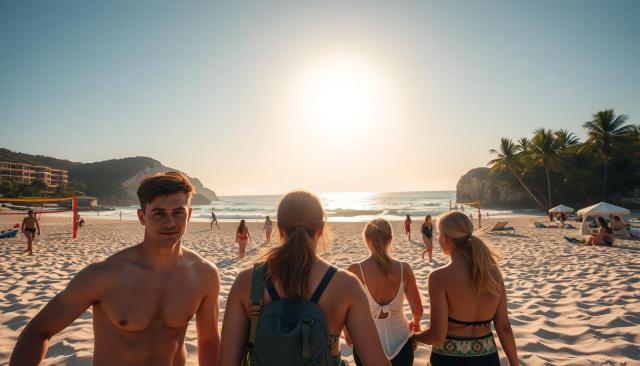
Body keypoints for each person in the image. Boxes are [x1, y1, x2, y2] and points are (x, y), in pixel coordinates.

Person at [10, 172, 221, 366]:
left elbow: (209, 341)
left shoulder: (204, 275)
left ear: (189, 214)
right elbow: (38, 331)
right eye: (158, 213)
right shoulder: (105, 275)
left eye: (178, 213)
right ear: (141, 217)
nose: (170, 223)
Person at [218, 191, 389, 366]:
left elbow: (226, 362)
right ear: (321, 229)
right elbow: (376, 362)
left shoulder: (247, 282)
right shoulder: (346, 285)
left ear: (280, 229)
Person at [413, 211, 518, 365]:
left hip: (448, 359)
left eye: (438, 233)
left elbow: (437, 336)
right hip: (487, 358)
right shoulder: (494, 273)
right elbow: (504, 327)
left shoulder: (439, 277)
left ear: (445, 237)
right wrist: (514, 363)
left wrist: (415, 338)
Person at [346, 218, 423, 365]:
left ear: (366, 240)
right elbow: (418, 310)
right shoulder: (404, 269)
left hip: (367, 346)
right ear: (390, 240)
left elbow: (344, 311)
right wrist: (416, 323)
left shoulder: (355, 270)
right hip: (401, 343)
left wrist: (347, 331)